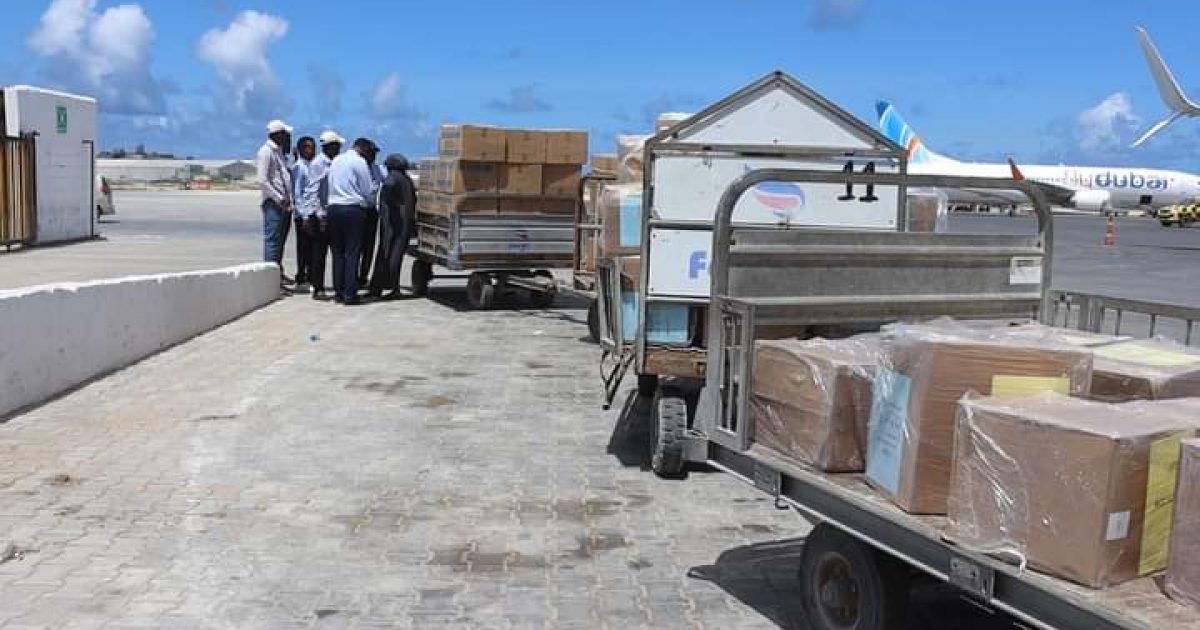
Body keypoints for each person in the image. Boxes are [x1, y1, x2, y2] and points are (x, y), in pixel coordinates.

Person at [325, 138, 379, 305]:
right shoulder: (359, 162)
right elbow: (367, 189)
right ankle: (350, 292)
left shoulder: (336, 160)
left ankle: (338, 292)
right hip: (353, 209)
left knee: (337, 253)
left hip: (333, 207)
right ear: (363, 149)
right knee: (352, 252)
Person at [369, 155, 417, 299]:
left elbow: (388, 186)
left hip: (393, 224)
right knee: (395, 255)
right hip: (404, 223)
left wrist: (390, 207)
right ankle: (387, 286)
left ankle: (385, 287)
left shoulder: (394, 177)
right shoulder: (406, 179)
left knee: (388, 255)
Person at [305, 130, 344, 300]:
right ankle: (318, 287)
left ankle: (338, 287)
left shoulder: (335, 163)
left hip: (333, 212)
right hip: (322, 214)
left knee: (337, 252)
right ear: (332, 146)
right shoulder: (319, 164)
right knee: (319, 254)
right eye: (338, 146)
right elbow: (313, 191)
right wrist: (319, 215)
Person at [255, 119, 294, 282]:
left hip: (284, 204)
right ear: (278, 134)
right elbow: (262, 180)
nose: (288, 137)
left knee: (280, 241)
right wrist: (279, 198)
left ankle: (277, 273)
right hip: (273, 203)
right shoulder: (266, 152)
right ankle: (270, 279)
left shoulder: (279, 152)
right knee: (272, 241)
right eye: (285, 134)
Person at [290, 136, 318, 291]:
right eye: (307, 147)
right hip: (303, 215)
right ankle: (301, 277)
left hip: (311, 212)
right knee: (303, 248)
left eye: (313, 147)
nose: (311, 150)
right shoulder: (299, 167)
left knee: (312, 248)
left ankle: (310, 276)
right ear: (300, 150)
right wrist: (304, 216)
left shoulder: (311, 165)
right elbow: (297, 193)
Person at [358, 158, 386, 287]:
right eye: (371, 153)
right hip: (358, 208)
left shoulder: (378, 168)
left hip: (371, 210)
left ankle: (363, 276)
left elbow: (387, 180)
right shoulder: (358, 166)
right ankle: (352, 275)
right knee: (357, 245)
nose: (373, 156)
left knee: (369, 246)